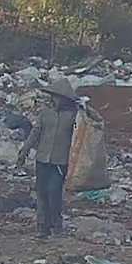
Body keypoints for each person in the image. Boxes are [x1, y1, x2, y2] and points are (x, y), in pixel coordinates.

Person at [16, 78, 78, 238]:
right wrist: (24, 151)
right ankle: (42, 227)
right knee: (42, 194)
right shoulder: (45, 113)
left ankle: (57, 226)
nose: (55, 99)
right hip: (42, 159)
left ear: (65, 99)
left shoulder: (73, 116)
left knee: (54, 193)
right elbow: (35, 133)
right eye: (54, 96)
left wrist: (86, 109)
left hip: (60, 161)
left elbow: (86, 130)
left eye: (59, 97)